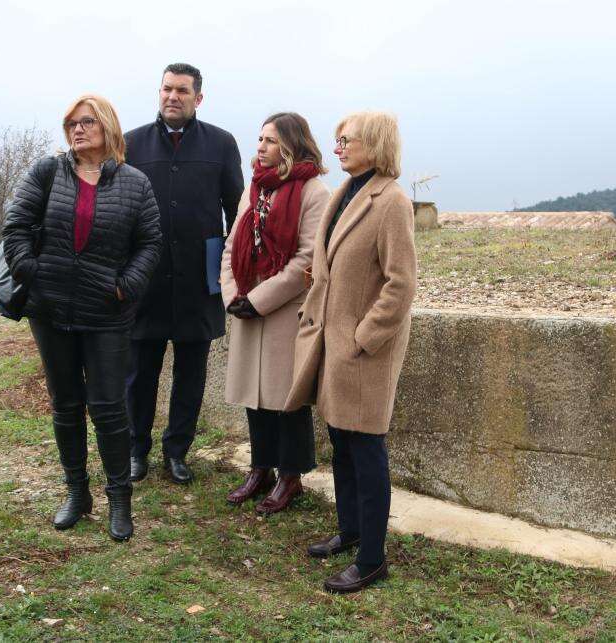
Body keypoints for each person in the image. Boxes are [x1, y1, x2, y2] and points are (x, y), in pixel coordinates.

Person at [3, 95, 161, 541]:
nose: (77, 129)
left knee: (109, 407)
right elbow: (15, 227)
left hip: (107, 313)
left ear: (107, 126)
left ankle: (118, 498)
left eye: (86, 121)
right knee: (66, 404)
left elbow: (150, 243)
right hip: (50, 310)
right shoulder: (46, 172)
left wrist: (124, 285)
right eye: (71, 122)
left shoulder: (135, 183)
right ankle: (77, 492)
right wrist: (33, 273)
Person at [285, 111, 417, 594]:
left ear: (374, 144)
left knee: (366, 447)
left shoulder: (391, 201)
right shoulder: (347, 192)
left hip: (364, 350)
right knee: (341, 441)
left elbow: (401, 283)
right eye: (336, 139)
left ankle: (372, 558)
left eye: (346, 140)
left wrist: (364, 337)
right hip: (332, 342)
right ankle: (351, 530)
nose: (336, 147)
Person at [123, 63, 243, 484]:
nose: (173, 97)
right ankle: (136, 450)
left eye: (182, 91)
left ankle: (177, 451)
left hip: (199, 276)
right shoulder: (131, 144)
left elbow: (237, 211)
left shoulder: (222, 144)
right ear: (159, 92)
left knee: (191, 373)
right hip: (146, 279)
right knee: (140, 373)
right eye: (167, 89)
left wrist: (229, 270)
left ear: (198, 98)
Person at [219, 113, 328, 514]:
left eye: (269, 140)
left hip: (284, 310)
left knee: (286, 399)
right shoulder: (254, 189)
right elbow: (232, 246)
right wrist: (232, 294)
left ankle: (290, 476)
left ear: (291, 145)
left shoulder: (314, 192)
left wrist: (260, 298)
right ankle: (260, 468)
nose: (260, 147)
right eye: (259, 138)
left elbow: (307, 259)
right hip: (248, 305)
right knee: (255, 395)